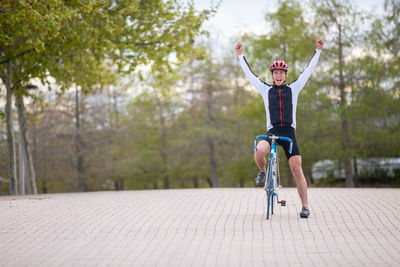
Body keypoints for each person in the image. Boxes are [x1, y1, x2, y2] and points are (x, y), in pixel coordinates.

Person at [235, 39, 324, 218]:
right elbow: (250, 74)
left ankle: (305, 206)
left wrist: (318, 50)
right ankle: (262, 173)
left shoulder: (294, 88)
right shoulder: (265, 89)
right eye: (275, 72)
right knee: (259, 150)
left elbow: (308, 70)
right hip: (273, 132)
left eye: (281, 72)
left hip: (289, 133)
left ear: (285, 74)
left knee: (297, 169)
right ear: (272, 75)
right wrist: (240, 55)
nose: (278, 75)